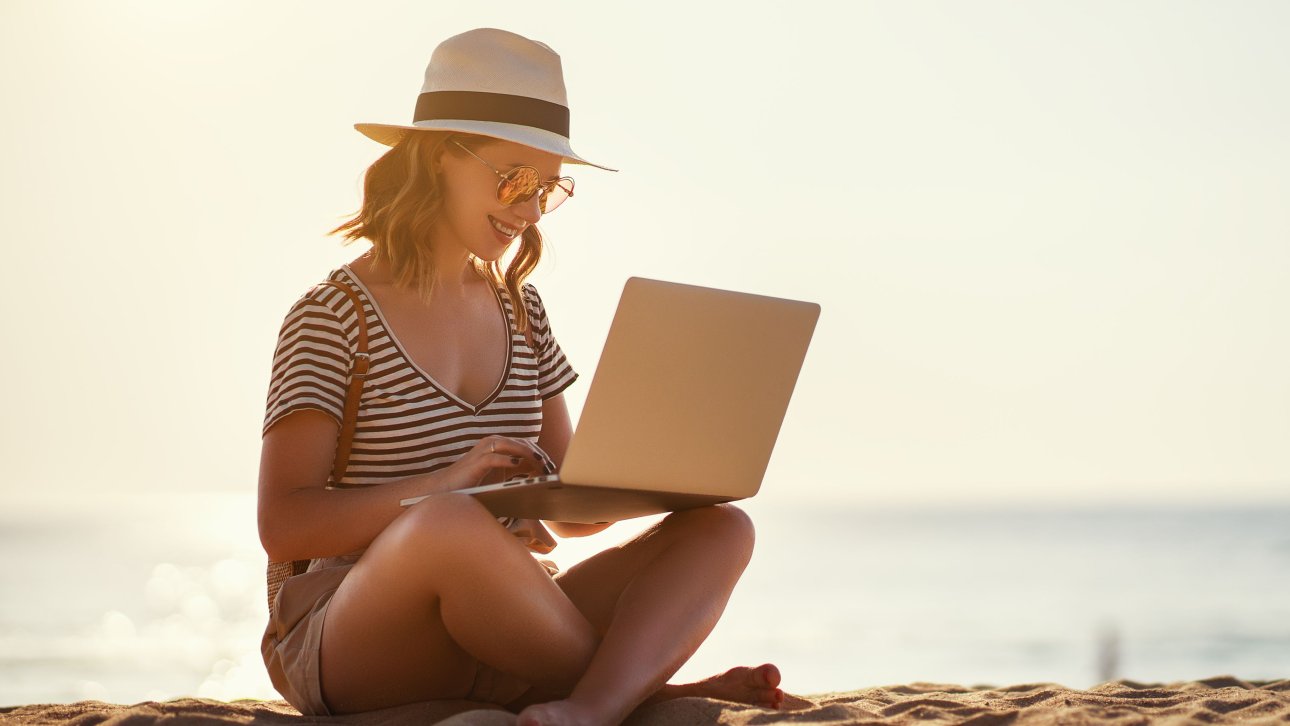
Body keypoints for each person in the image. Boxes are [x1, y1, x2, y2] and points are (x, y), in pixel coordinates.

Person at [257, 28, 784, 726]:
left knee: (724, 531)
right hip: (352, 634)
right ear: (442, 157)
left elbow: (568, 506)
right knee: (448, 525)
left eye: (549, 188)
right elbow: (284, 525)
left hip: (505, 620)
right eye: (514, 179)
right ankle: (641, 696)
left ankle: (592, 707)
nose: (532, 210)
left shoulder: (521, 309)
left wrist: (640, 480)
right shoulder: (331, 316)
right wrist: (442, 489)